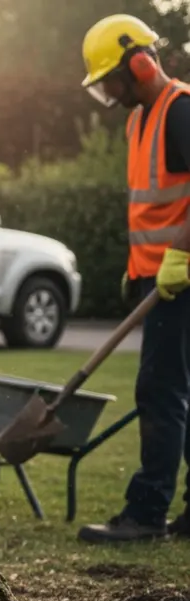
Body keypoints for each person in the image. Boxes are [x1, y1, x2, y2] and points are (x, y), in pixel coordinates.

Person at [75, 15, 190, 542]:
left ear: (139, 63)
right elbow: (151, 208)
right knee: (174, 390)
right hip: (157, 278)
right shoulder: (138, 119)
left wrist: (178, 257)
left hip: (182, 277)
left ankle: (146, 515)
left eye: (112, 82)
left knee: (159, 390)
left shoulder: (181, 111)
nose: (111, 94)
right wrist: (138, 267)